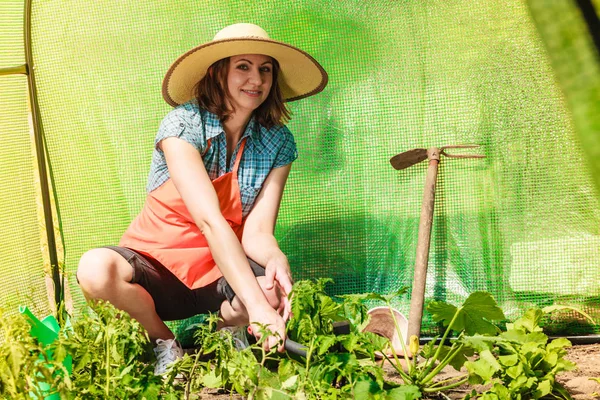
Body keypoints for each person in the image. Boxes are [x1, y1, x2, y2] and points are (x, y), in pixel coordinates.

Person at [76, 23, 327, 375]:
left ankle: (221, 336)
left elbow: (257, 233)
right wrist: (257, 308)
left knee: (271, 289)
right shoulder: (183, 126)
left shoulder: (278, 142)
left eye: (265, 69)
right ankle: (164, 343)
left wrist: (275, 259)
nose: (256, 79)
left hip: (219, 271)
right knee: (95, 269)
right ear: (218, 71)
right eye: (243, 66)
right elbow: (210, 221)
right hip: (158, 267)